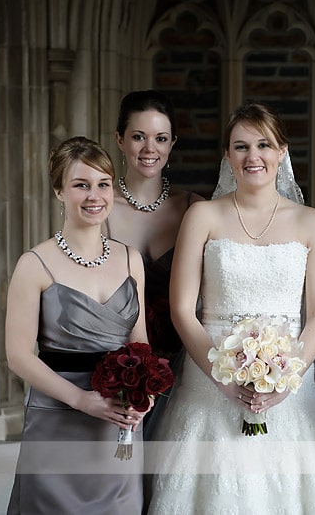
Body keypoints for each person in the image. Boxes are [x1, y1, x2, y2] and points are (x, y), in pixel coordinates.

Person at [147, 102, 315, 514]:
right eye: (240, 147)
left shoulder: (311, 222)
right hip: (208, 385)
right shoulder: (202, 216)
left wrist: (287, 378)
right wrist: (221, 378)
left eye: (263, 145)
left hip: (289, 388)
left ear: (282, 152)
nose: (252, 156)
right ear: (227, 155)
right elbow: (182, 309)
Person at [5, 136, 151, 514]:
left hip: (117, 422)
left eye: (103, 184)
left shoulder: (131, 259)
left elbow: (140, 342)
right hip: (58, 420)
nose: (94, 196)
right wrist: (81, 400)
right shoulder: (33, 264)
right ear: (59, 190)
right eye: (80, 185)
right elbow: (18, 356)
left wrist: (145, 395)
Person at [108, 89, 203, 438]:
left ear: (172, 143)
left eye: (160, 138)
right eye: (138, 137)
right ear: (120, 140)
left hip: (184, 357)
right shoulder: (98, 207)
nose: (150, 149)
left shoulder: (195, 207)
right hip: (117, 359)